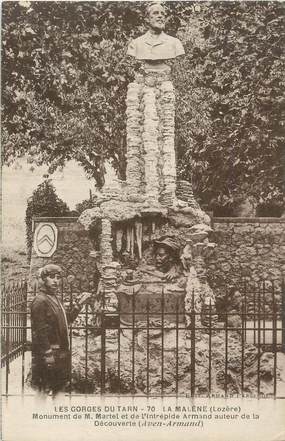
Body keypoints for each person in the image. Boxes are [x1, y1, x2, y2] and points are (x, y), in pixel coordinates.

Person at [31, 264, 91, 396]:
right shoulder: (40, 301)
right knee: (41, 394)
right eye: (51, 277)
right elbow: (39, 332)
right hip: (48, 356)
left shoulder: (55, 299)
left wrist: (79, 304)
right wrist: (47, 354)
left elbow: (66, 320)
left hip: (61, 354)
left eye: (58, 278)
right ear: (43, 279)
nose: (55, 281)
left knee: (59, 391)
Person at [127, 2, 184, 70]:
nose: (160, 16)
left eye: (162, 14)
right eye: (155, 13)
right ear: (147, 19)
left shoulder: (175, 43)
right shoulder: (136, 44)